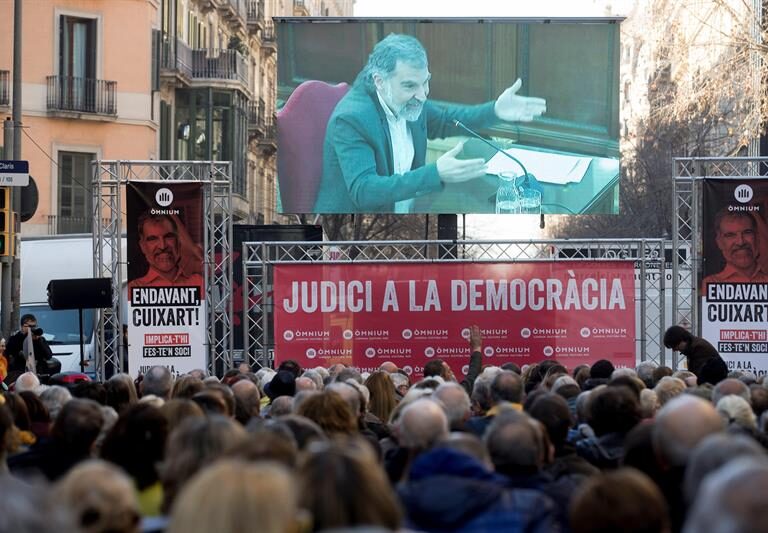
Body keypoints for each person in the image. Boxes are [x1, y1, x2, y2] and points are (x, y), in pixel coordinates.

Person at [313, 33, 546, 213]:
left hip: (409, 210)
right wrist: (436, 173)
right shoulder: (352, 119)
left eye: (425, 82)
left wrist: (495, 110)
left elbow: (445, 120)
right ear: (379, 81)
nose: (422, 95)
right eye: (410, 85)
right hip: (357, 230)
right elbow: (364, 191)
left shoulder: (407, 99)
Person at [128, 212, 204, 291]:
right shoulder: (133, 289)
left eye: (168, 237)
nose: (163, 246)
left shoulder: (199, 282)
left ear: (178, 242)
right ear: (142, 246)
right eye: (153, 239)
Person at [701, 210, 768, 289]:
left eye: (747, 232)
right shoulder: (710, 284)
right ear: (719, 242)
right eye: (730, 235)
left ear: (757, 238)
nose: (740, 242)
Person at [5, 313, 56, 381]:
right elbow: (11, 353)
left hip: (38, 375)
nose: (33, 328)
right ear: (23, 327)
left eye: (34, 326)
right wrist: (26, 336)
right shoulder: (15, 339)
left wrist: (39, 341)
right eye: (30, 326)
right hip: (21, 375)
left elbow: (48, 355)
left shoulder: (40, 339)